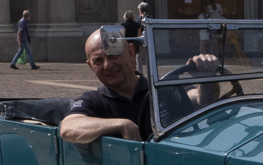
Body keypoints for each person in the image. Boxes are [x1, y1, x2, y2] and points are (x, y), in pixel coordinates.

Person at [59, 29, 220, 143]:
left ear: (130, 53)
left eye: (113, 55)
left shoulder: (162, 87)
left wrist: (207, 78)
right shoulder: (95, 100)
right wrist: (121, 124)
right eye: (98, 61)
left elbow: (200, 100)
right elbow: (68, 128)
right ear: (91, 67)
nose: (107, 66)